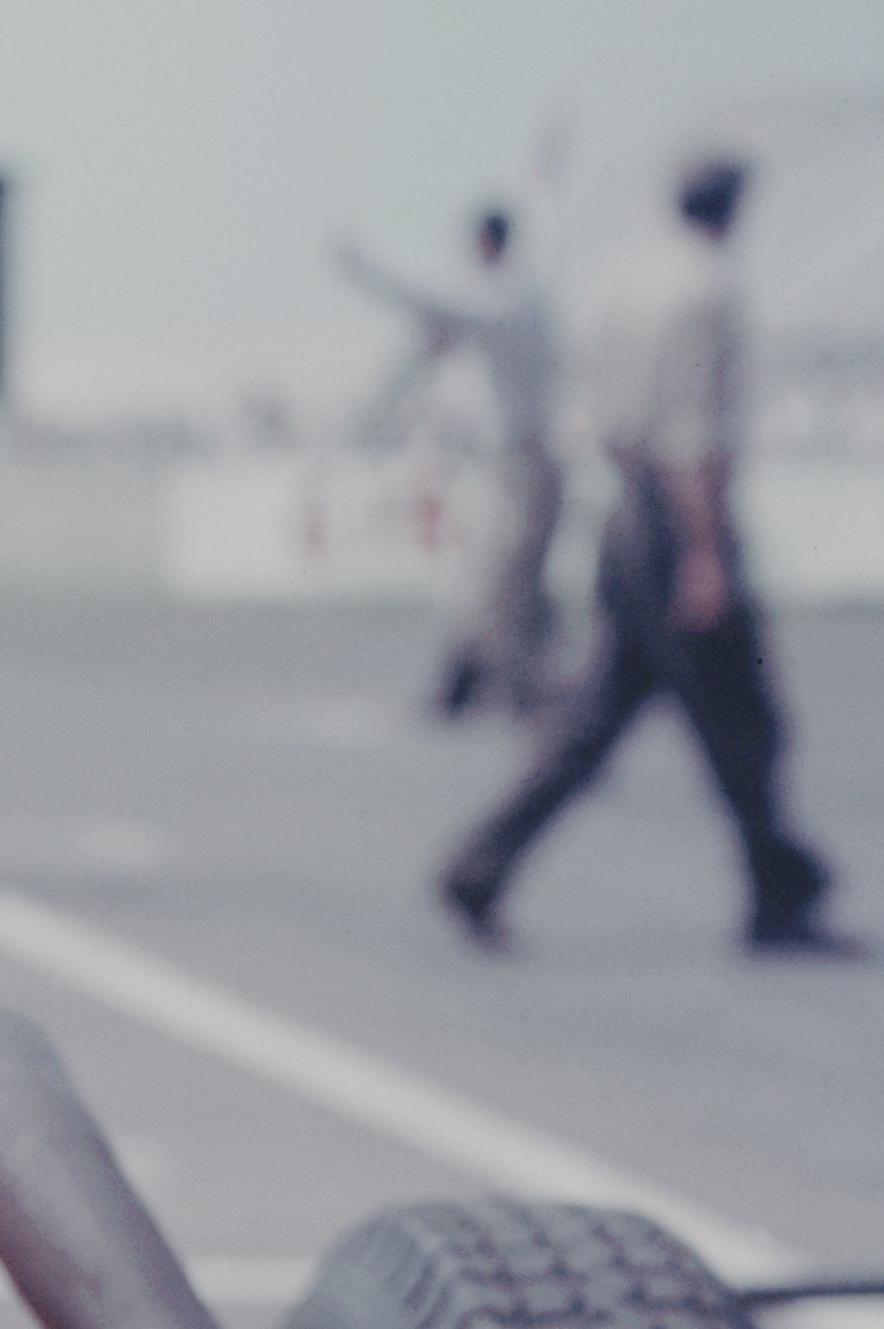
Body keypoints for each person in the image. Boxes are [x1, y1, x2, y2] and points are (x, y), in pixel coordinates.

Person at [439, 155, 846, 957]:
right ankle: (779, 887)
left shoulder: (628, 279)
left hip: (627, 515)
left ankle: (480, 866)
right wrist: (704, 552)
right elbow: (691, 431)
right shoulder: (707, 288)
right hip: (677, 520)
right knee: (745, 720)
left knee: (600, 718)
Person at [338, 201, 561, 717]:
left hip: (524, 459)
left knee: (502, 574)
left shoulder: (508, 296)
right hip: (517, 458)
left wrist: (365, 269)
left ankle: (482, 682)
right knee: (512, 574)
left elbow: (438, 305)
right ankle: (501, 682)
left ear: (485, 244)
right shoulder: (521, 293)